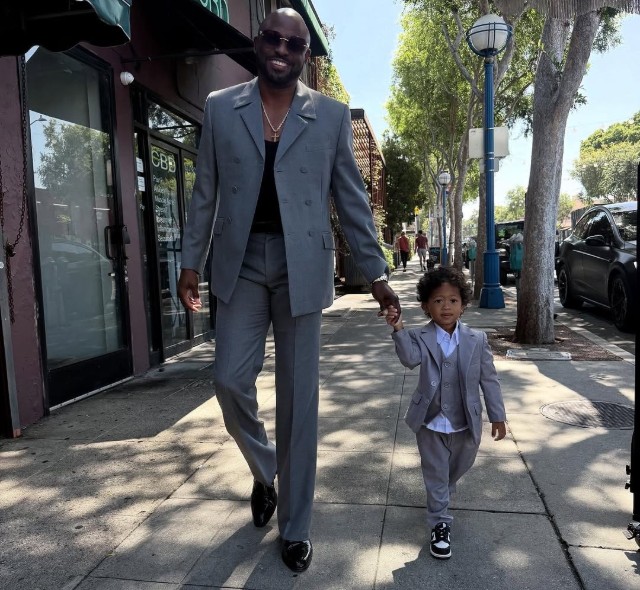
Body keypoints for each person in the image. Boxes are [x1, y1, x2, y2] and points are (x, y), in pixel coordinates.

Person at [177, 7, 400, 573]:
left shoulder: (329, 116)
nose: (282, 49)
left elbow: (351, 200)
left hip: (304, 264)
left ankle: (296, 527)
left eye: (294, 44)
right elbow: (205, 191)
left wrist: (376, 275)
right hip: (240, 262)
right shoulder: (221, 107)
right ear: (258, 43)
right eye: (273, 39)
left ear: (306, 54)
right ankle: (266, 469)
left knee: (299, 402)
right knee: (229, 381)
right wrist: (190, 262)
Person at [383, 267, 506, 560]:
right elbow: (409, 359)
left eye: (453, 300)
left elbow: (489, 379)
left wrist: (497, 415)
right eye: (438, 301)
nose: (446, 307)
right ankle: (440, 523)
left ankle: (443, 492)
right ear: (427, 306)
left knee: (457, 469)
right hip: (430, 422)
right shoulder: (420, 336)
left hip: (465, 422)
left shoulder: (477, 339)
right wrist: (398, 329)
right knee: (436, 473)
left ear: (463, 305)